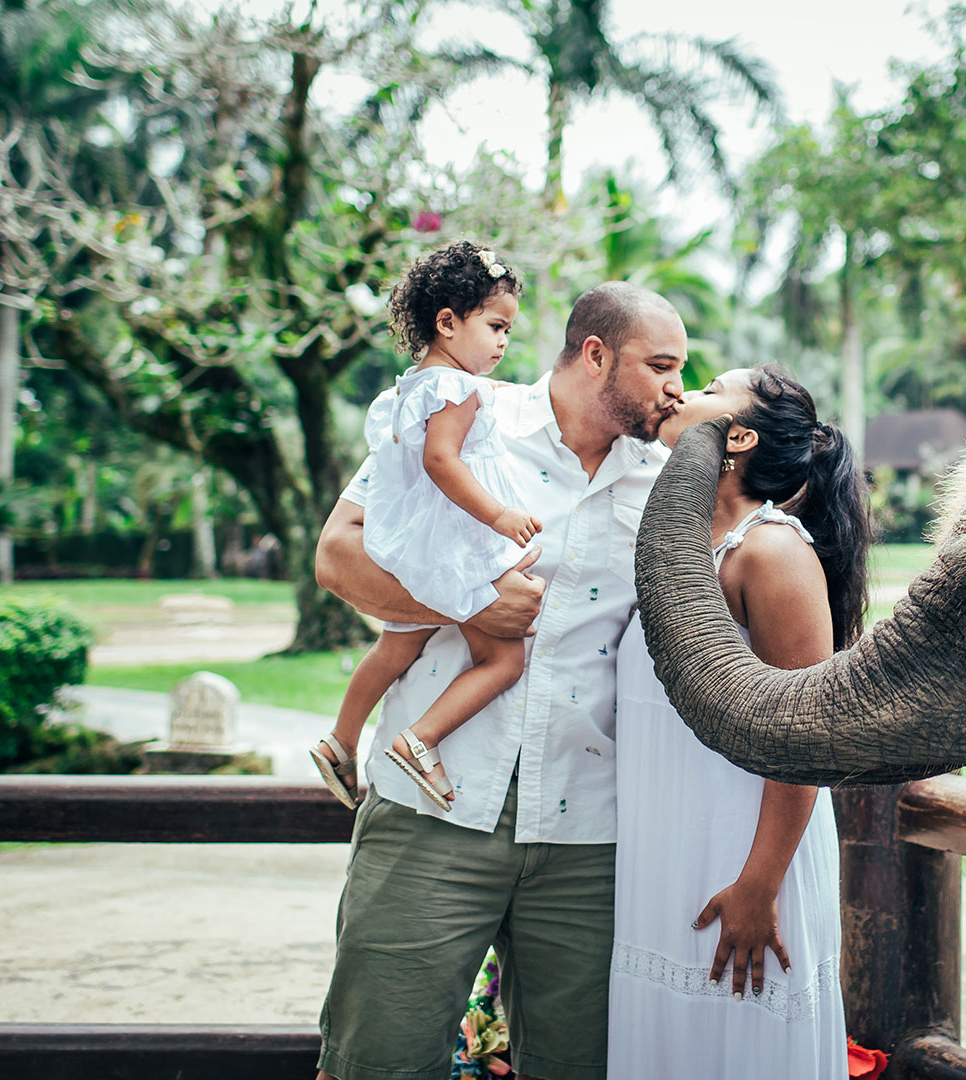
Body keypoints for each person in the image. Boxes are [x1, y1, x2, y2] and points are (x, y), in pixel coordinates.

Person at [312, 281, 688, 1080]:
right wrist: (467, 598)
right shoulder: (464, 417)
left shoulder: (665, 482)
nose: (675, 386)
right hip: (433, 813)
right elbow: (337, 552)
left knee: (583, 1067)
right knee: (377, 1059)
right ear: (595, 355)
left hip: (592, 834)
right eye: (659, 365)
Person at [608, 364, 870, 1077]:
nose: (681, 393)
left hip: (745, 860)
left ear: (739, 435)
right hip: (666, 856)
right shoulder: (675, 545)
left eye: (709, 389)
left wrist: (760, 886)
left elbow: (808, 735)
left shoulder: (772, 551)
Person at [310, 240, 537, 812]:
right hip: (451, 542)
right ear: (447, 322)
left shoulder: (414, 385)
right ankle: (421, 739)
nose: (504, 342)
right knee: (505, 659)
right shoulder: (456, 389)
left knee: (395, 646)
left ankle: (340, 738)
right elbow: (442, 460)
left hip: (409, 541)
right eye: (495, 326)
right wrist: (499, 515)